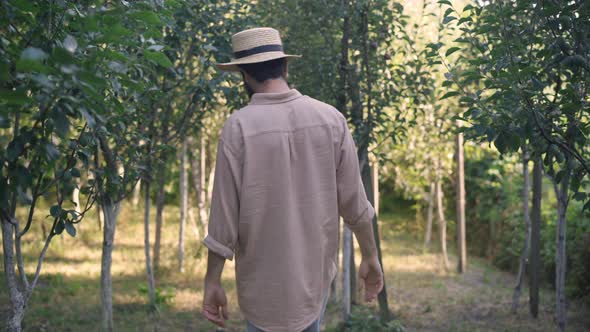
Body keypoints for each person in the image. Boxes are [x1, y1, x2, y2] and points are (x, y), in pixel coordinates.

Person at [201, 27, 384, 332]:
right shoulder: (331, 119)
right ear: (285, 67)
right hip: (313, 283)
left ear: (244, 75)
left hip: (261, 290)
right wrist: (370, 256)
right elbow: (355, 204)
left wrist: (212, 281)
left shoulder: (238, 128)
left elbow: (223, 219)